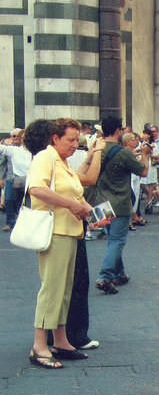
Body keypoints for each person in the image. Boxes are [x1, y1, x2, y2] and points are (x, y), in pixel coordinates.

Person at [27, 120, 104, 351]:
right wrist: (72, 205)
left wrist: (92, 211)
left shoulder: (64, 163)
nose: (74, 145)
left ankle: (61, 340)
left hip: (71, 232)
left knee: (64, 289)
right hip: (55, 231)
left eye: (76, 140)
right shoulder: (45, 158)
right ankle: (40, 345)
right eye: (70, 140)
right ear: (55, 138)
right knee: (52, 289)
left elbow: (77, 195)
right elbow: (36, 189)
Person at [94, 117, 151, 294]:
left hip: (100, 201)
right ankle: (105, 276)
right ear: (118, 131)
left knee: (112, 239)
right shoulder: (123, 153)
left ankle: (120, 273)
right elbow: (143, 171)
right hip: (119, 202)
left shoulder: (97, 150)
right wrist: (146, 155)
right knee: (117, 241)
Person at [0, 128, 31, 231]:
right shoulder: (13, 150)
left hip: (29, 180)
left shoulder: (34, 151)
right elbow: (2, 149)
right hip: (14, 179)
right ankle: (11, 223)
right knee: (9, 201)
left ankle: (23, 223)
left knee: (25, 203)